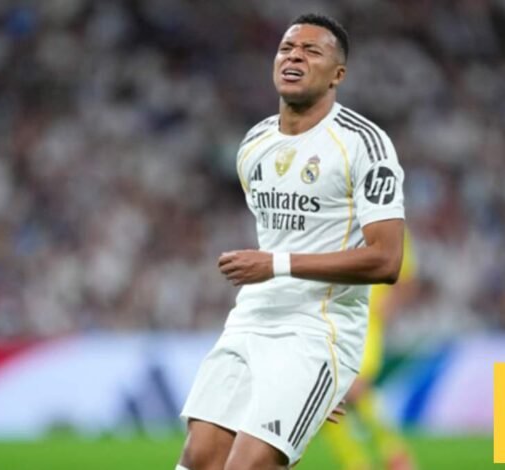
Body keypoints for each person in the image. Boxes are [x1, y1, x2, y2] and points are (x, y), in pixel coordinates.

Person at [177, 13, 406, 470]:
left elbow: (387, 260)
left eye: (311, 51)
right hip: (251, 321)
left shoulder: (365, 144)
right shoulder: (254, 144)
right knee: (199, 458)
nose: (294, 56)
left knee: (247, 466)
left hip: (317, 331)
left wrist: (276, 266)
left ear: (337, 74)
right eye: (286, 48)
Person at [321, 232, 419, 470]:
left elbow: (406, 277)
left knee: (354, 388)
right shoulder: (335, 223)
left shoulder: (389, 224)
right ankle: (361, 462)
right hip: (330, 321)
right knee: (326, 397)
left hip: (366, 322)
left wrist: (389, 305)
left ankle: (393, 453)